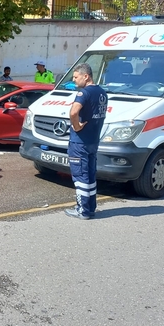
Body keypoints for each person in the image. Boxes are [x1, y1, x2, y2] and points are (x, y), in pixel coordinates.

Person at [64, 63, 108, 220]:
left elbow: (73, 112)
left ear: (86, 76)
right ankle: (90, 208)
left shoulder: (84, 93)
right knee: (90, 176)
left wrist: (76, 127)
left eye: (76, 77)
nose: (74, 80)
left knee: (80, 176)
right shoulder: (102, 92)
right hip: (93, 141)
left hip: (80, 142)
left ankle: (82, 210)